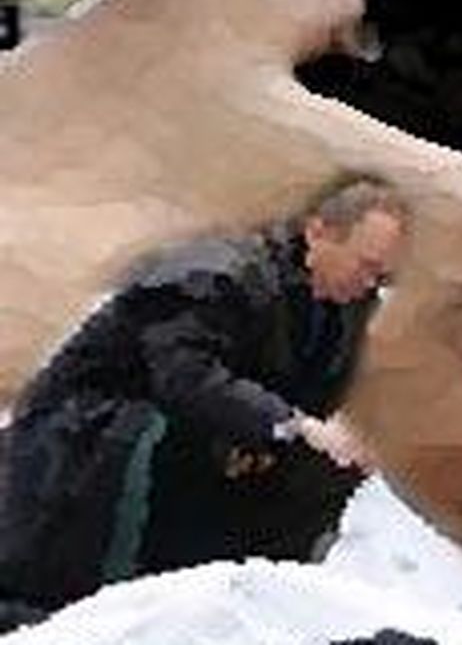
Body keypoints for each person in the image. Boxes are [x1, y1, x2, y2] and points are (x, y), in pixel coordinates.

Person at [0, 173, 409, 625]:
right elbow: (184, 377)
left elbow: (312, 391)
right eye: (365, 265)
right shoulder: (217, 274)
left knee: (321, 472)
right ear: (318, 232)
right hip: (89, 435)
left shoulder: (344, 308)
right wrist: (287, 424)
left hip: (209, 439)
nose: (369, 284)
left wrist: (294, 436)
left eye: (381, 276)